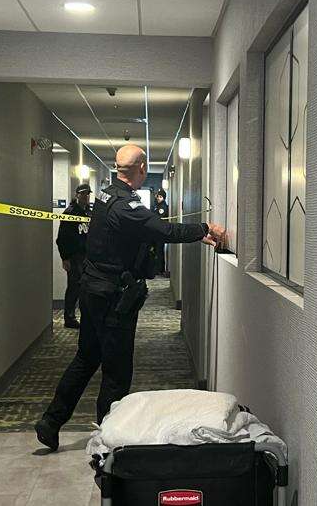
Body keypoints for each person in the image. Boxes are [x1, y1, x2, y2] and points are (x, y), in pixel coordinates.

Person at [35, 145, 225, 451]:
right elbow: (163, 230)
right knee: (117, 372)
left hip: (92, 289)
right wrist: (204, 228)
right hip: (112, 297)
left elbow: (138, 231)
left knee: (86, 358)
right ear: (142, 168)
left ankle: (50, 422)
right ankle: (108, 441)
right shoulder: (127, 205)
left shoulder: (105, 195)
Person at [56, 183, 92, 329]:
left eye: (87, 194)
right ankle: (69, 318)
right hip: (75, 256)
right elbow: (61, 238)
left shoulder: (88, 212)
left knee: (86, 287)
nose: (85, 196)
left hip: (87, 256)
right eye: (83, 194)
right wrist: (65, 258)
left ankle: (85, 316)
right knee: (74, 287)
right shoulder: (70, 213)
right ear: (77, 195)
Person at [153, 188, 169, 275]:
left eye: (160, 197)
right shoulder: (157, 206)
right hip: (157, 231)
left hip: (160, 232)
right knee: (157, 250)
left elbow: (159, 218)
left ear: (164, 198)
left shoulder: (163, 207)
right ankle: (158, 269)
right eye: (158, 196)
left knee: (159, 251)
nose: (158, 198)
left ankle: (160, 269)